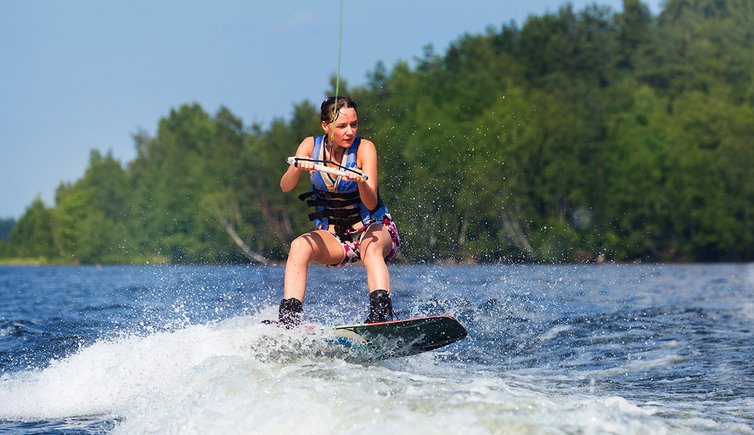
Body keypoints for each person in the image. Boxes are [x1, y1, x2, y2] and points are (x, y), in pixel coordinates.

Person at [276, 96, 400, 327]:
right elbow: (285, 186)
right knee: (299, 245)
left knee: (370, 248)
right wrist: (297, 166)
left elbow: (371, 203)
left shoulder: (365, 148)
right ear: (326, 126)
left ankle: (381, 316)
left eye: (354, 124)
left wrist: (361, 181)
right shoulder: (309, 146)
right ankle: (289, 321)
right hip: (335, 237)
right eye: (342, 126)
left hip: (372, 229)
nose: (349, 131)